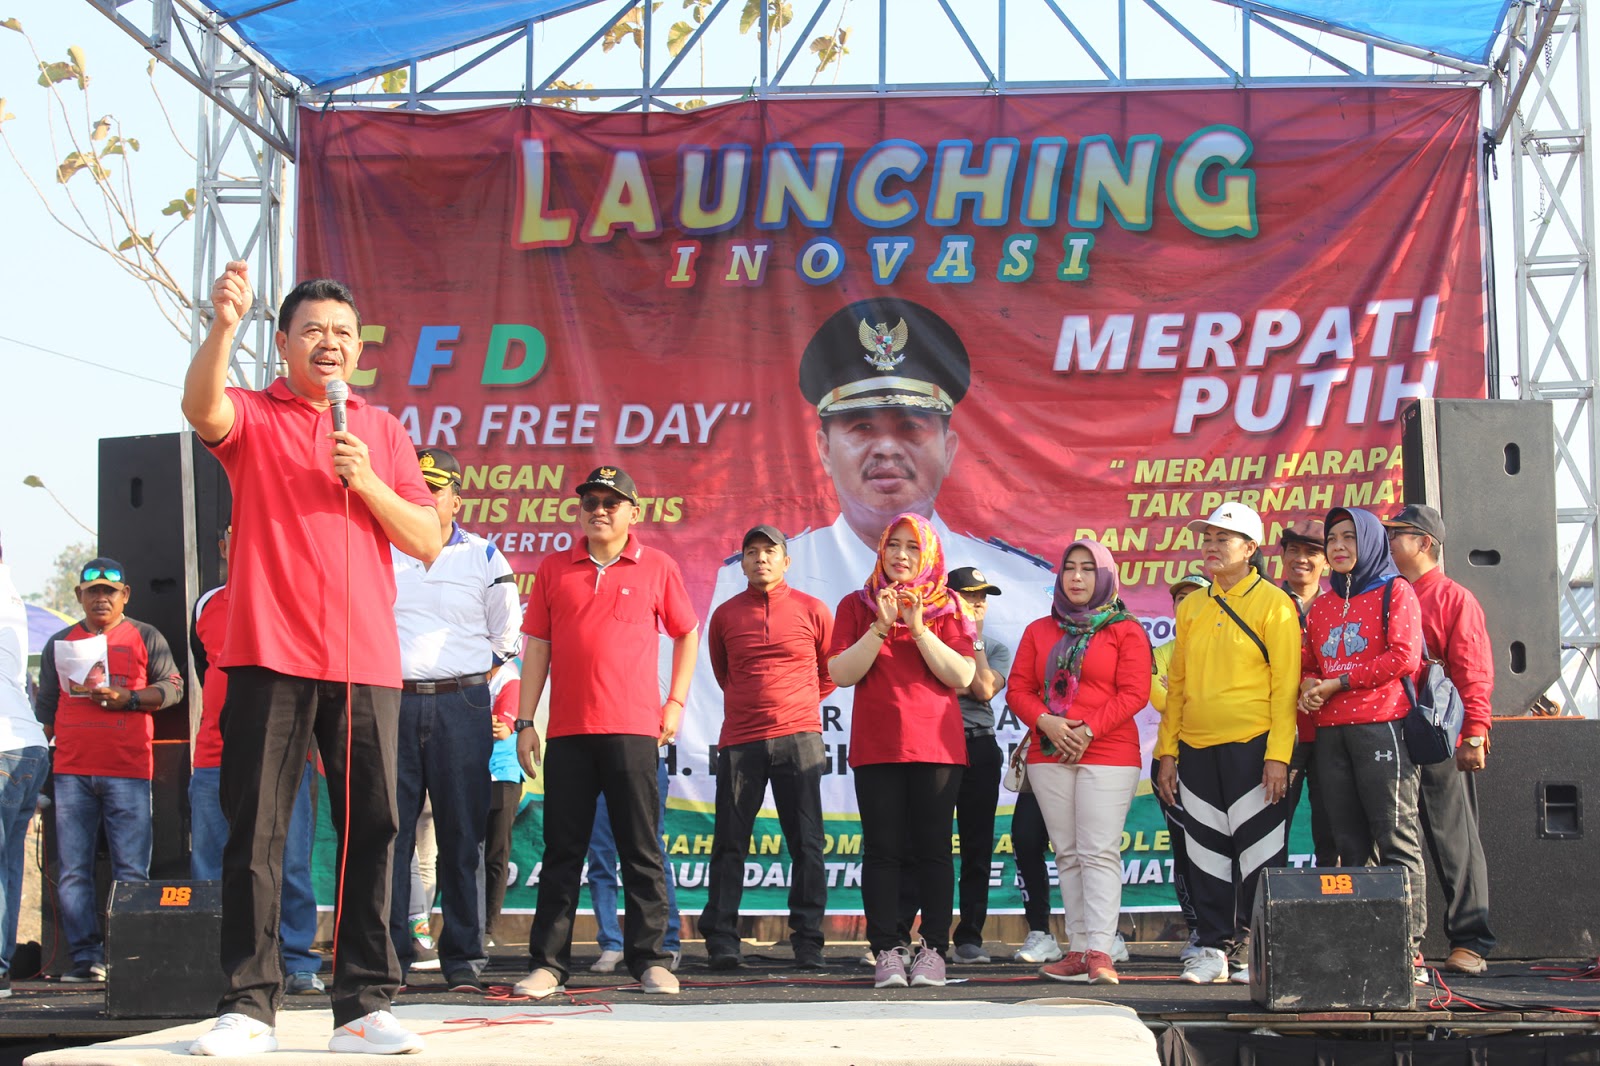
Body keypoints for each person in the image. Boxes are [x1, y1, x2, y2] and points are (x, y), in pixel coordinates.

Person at [182, 263, 441, 1056]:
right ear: (285, 342)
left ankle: (363, 1007)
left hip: (366, 661)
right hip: (270, 652)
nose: (330, 343)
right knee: (256, 833)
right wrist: (223, 325)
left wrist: (369, 483)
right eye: (313, 331)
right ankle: (248, 1008)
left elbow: (427, 539)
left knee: (375, 829)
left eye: (343, 334)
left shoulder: (382, 431)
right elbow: (200, 408)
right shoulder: (256, 415)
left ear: (358, 350)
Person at [685, 299, 1055, 806]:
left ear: (948, 448)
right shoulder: (749, 578)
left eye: (910, 427)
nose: (885, 447)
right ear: (823, 449)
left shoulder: (1014, 578)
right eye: (861, 427)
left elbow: (975, 678)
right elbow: (741, 676)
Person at [513, 465, 698, 1000]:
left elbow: (687, 633)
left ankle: (651, 961)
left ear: (633, 513)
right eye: (590, 502)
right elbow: (538, 648)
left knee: (641, 850)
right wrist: (525, 722)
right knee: (562, 853)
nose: (599, 510)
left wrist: (675, 703)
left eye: (611, 503)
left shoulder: (657, 566)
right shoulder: (554, 568)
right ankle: (548, 965)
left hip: (634, 731)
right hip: (569, 732)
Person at [388, 446, 521, 993]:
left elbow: (506, 639)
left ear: (456, 500)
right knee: (390, 835)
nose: (424, 500)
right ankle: (390, 955)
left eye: (435, 490)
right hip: (391, 703)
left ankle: (463, 955)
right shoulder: (381, 549)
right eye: (414, 490)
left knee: (462, 834)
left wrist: (459, 679)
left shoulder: (484, 556)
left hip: (462, 704)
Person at [827, 513, 975, 990]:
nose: (902, 555)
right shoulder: (857, 604)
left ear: (928, 553)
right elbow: (841, 673)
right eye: (894, 545)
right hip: (878, 746)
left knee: (934, 851)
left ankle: (933, 950)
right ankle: (887, 950)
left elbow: (963, 675)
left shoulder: (949, 605)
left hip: (936, 747)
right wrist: (880, 626)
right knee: (883, 852)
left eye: (913, 547)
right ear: (881, 550)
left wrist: (919, 628)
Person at [1155, 503, 1298, 985]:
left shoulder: (1276, 603)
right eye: (1208, 538)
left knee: (1259, 853)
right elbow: (1177, 685)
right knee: (1205, 852)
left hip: (1254, 747)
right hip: (1196, 749)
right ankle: (1212, 949)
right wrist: (1168, 752)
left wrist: (1278, 755)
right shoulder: (1192, 606)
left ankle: (1256, 952)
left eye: (1223, 538)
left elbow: (1286, 686)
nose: (1212, 547)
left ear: (1251, 548)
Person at [1008, 540, 1151, 985]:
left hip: (1108, 752)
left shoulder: (1126, 630)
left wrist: (1086, 730)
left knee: (1098, 851)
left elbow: (1135, 693)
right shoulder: (1039, 630)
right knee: (1067, 853)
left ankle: (1101, 951)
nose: (1076, 577)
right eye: (1070, 568)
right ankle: (1078, 948)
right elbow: (1018, 690)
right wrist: (1048, 723)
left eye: (1088, 569)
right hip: (1049, 751)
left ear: (1104, 577)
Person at [189, 527, 324, 996]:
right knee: (212, 864)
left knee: (289, 861)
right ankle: (215, 963)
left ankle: (297, 960)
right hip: (213, 755)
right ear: (223, 547)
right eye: (233, 534)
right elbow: (206, 669)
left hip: (281, 754)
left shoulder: (289, 596)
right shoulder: (206, 605)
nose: (243, 541)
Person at [35, 558, 182, 982]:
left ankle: (129, 959)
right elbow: (46, 709)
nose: (101, 598)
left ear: (125, 595)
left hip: (128, 770)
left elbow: (174, 689)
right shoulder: (59, 642)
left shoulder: (145, 636)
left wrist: (130, 699)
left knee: (132, 871)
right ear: (79, 596)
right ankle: (86, 958)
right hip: (72, 771)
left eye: (110, 592)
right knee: (73, 872)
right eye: (93, 592)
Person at [1299, 507, 1428, 981]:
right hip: (1331, 732)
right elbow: (1311, 661)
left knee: (1395, 836)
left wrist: (1339, 683)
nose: (1338, 546)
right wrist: (1310, 685)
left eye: (1349, 537)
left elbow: (1403, 657)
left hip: (1382, 724)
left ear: (1370, 541)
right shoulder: (1323, 604)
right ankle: (1365, 947)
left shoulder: (1396, 591)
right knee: (1348, 844)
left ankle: (1408, 950)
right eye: (1332, 538)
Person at [698, 524, 834, 970]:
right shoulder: (725, 615)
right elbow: (724, 673)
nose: (761, 558)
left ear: (786, 561)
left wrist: (793, 705)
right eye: (752, 552)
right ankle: (722, 941)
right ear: (742, 563)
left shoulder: (813, 609)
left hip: (801, 738)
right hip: (741, 741)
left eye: (770, 551)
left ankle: (809, 942)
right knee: (729, 843)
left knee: (807, 844)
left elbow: (829, 673)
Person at [1384, 503, 1496, 975]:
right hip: (1387, 729)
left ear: (1425, 542)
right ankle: (1395, 940)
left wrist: (1476, 732)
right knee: (1393, 836)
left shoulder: (1453, 597)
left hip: (1436, 729)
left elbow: (1473, 669)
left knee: (1452, 836)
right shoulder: (1386, 593)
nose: (1390, 542)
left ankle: (1470, 939)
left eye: (1398, 534)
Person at [927, 567, 1010, 965]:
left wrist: (971, 640)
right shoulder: (929, 640)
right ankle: (923, 937)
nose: (977, 603)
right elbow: (932, 687)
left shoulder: (994, 647)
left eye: (982, 597)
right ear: (948, 599)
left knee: (977, 846)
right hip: (936, 746)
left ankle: (970, 937)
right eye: (968, 595)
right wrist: (958, 679)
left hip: (980, 746)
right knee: (929, 845)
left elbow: (983, 688)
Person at [1147, 573, 1209, 959]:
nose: (1186, 604)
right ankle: (1198, 930)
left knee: (1219, 847)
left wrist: (1182, 692)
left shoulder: (1225, 649)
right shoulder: (1161, 653)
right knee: (1185, 847)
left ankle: (1228, 931)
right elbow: (1159, 699)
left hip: (1216, 758)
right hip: (1169, 761)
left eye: (1195, 597)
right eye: (1179, 599)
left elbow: (1222, 698)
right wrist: (1195, 697)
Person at [0, 538, 49, 999]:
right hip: (28, 745)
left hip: (4, 746)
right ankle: (0, 969)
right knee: (8, 863)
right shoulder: (10, 595)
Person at [584, 760, 682, 973]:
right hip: (597, 763)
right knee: (599, 854)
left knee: (652, 852)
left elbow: (669, 737)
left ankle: (667, 942)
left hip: (645, 760)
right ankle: (611, 943)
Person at [1278, 520, 1338, 869]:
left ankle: (1337, 897)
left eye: (1312, 552)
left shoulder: (1339, 606)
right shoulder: (1266, 603)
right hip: (1282, 734)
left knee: (1334, 828)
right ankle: (1260, 903)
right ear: (1282, 556)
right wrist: (1301, 681)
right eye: (1294, 550)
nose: (1301, 559)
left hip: (1332, 732)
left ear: (1326, 561)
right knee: (1271, 827)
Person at [483, 660, 524, 949]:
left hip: (501, 775)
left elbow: (502, 729)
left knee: (495, 853)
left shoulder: (509, 678)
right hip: (467, 774)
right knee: (462, 853)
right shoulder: (465, 673)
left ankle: (487, 928)